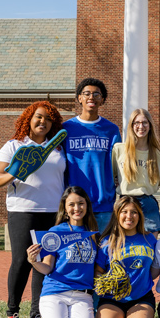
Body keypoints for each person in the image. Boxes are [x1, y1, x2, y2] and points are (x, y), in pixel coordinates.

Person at [0, 100, 65, 318]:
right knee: (22, 260)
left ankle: (37, 314)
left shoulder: (58, 148)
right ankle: (12, 312)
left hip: (53, 211)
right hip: (23, 210)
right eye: (39, 117)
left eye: (49, 118)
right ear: (29, 119)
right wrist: (17, 171)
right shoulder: (14, 146)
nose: (43, 122)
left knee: (43, 261)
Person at [26, 187, 98, 318]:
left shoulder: (94, 233)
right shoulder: (55, 232)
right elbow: (47, 267)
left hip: (82, 295)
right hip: (55, 292)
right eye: (71, 204)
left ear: (87, 206)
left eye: (81, 203)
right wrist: (33, 261)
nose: (76, 208)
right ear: (65, 208)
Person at [63, 78, 122, 230]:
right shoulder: (66, 129)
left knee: (104, 251)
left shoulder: (111, 130)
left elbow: (119, 165)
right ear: (79, 98)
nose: (91, 97)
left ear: (102, 100)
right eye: (87, 93)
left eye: (97, 94)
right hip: (75, 206)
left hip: (103, 206)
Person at [95, 195, 157, 318]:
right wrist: (106, 282)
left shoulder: (149, 239)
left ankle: (133, 316)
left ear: (140, 216)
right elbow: (98, 271)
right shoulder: (107, 242)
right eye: (124, 212)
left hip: (141, 297)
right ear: (117, 215)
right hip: (112, 298)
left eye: (134, 212)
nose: (129, 216)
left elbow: (154, 269)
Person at [112, 108, 160, 236]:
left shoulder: (156, 154)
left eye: (145, 122)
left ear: (150, 126)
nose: (141, 126)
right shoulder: (119, 150)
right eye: (136, 123)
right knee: (124, 247)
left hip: (148, 206)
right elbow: (109, 176)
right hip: (125, 204)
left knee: (149, 249)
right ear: (131, 126)